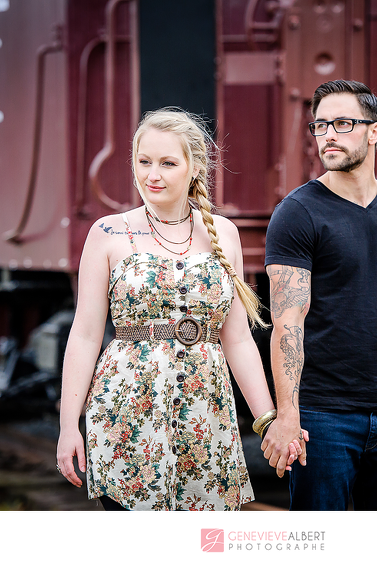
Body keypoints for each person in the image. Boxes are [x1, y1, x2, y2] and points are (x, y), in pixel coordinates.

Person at [56, 108, 304, 511]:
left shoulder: (223, 233)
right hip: (128, 407)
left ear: (194, 168)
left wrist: (267, 420)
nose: (152, 174)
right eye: (144, 161)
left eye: (168, 163)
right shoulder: (108, 233)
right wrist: (70, 425)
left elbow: (238, 338)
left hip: (205, 410)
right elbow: (84, 335)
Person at [261, 80, 377, 510]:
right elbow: (288, 323)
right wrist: (288, 416)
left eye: (343, 123)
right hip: (324, 419)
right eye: (320, 125)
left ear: (374, 131)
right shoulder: (297, 212)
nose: (329, 135)